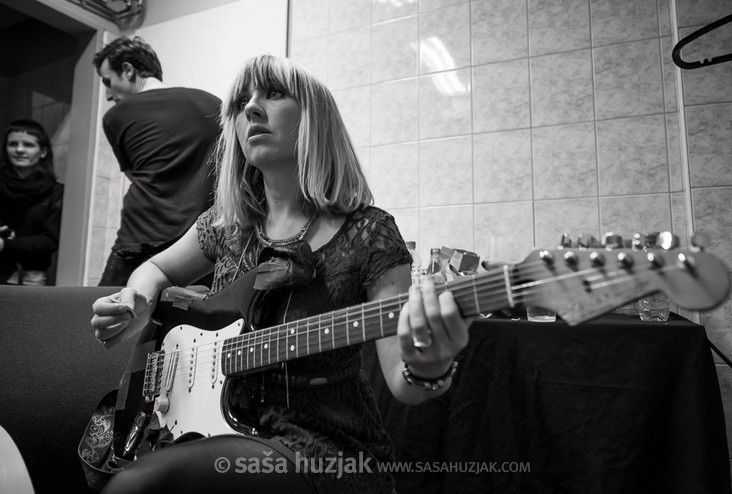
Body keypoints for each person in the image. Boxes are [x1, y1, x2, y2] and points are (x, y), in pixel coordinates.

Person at [90, 55, 471, 493]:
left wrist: (430, 365)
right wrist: (138, 300)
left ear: (315, 119)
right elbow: (156, 267)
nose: (250, 109)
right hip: (215, 433)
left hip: (322, 448)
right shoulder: (226, 224)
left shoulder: (370, 232)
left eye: (273, 94)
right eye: (240, 102)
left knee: (144, 486)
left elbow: (404, 383)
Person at [93, 36, 221, 287]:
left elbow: (135, 174)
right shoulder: (213, 103)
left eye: (108, 81)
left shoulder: (116, 117)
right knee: (197, 323)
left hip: (140, 241)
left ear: (128, 70)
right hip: (198, 244)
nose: (108, 95)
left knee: (111, 319)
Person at [0, 119, 64, 286]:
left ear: (43, 152)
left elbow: (50, 240)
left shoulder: (56, 192)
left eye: (28, 145)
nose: (19, 150)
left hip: (30, 277)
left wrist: (5, 244)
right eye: (13, 144)